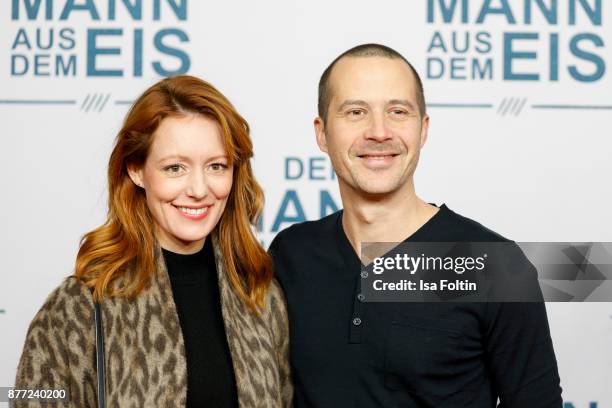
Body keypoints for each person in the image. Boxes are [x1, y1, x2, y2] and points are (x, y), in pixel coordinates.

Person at [269, 44, 562, 407]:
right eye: (356, 112)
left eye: (398, 111)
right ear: (322, 133)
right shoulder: (291, 253)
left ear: (423, 129)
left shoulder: (494, 265)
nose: (379, 131)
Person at [14, 75, 292, 407]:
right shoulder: (81, 305)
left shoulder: (260, 296)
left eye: (217, 166)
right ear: (136, 169)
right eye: (175, 168)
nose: (199, 189)